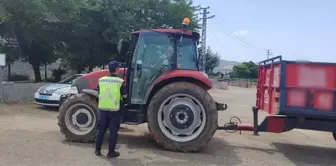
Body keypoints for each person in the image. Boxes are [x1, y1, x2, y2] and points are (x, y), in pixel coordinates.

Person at [94, 61, 127, 158]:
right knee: (113, 132)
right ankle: (111, 152)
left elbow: (99, 92)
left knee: (101, 131)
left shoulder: (101, 80)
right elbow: (124, 96)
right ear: (117, 69)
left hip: (103, 109)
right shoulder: (120, 82)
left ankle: (97, 150)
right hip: (115, 111)